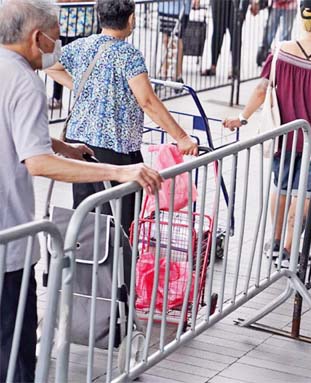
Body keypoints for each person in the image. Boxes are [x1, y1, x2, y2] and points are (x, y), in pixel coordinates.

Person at [0, 1, 163, 381]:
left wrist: (61, 145)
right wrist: (118, 170)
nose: (60, 44)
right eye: (57, 36)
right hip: (9, 238)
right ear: (36, 37)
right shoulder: (24, 82)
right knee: (15, 349)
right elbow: (36, 163)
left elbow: (17, 135)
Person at [223, 0, 311, 262]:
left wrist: (242, 118)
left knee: (282, 187)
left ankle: (274, 243)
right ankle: (288, 248)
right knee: (305, 193)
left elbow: (262, 90)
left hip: (284, 137)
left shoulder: (280, 53)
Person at [46, 0, 198, 230]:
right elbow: (147, 101)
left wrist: (82, 87)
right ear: (131, 19)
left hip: (80, 146)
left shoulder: (82, 45)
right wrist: (182, 137)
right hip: (116, 149)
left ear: (99, 18)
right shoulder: (129, 55)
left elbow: (49, 64)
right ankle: (117, 263)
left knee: (86, 216)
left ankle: (86, 263)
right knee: (120, 221)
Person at [48, 0, 96, 110]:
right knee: (57, 62)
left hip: (83, 25)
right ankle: (57, 97)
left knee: (83, 65)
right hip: (62, 25)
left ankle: (82, 98)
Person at [157, 0, 196, 83]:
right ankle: (164, 73)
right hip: (164, 7)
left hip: (181, 8)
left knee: (177, 39)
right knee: (166, 39)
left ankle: (177, 75)